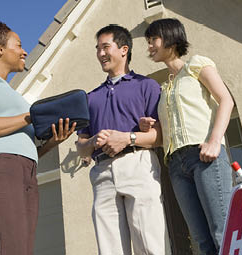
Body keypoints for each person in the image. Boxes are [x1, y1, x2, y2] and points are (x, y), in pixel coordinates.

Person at [0, 21, 76, 255]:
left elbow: (28, 147)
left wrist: (55, 141)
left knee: (22, 249)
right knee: (11, 247)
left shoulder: (15, 96)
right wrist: (31, 116)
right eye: (19, 45)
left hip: (25, 168)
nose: (24, 51)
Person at [141, 18, 234, 254]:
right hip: (175, 165)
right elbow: (164, 135)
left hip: (204, 156)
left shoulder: (196, 65)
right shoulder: (165, 88)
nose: (149, 46)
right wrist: (150, 126)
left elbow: (226, 100)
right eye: (148, 41)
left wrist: (214, 142)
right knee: (201, 241)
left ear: (171, 38)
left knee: (222, 232)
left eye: (153, 40)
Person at [75, 24, 166, 255]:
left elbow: (160, 137)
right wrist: (93, 141)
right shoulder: (90, 98)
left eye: (106, 47)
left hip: (139, 165)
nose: (100, 54)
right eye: (97, 49)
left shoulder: (147, 86)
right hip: (102, 174)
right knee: (110, 249)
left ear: (124, 49)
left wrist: (127, 138)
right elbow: (81, 149)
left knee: (150, 245)